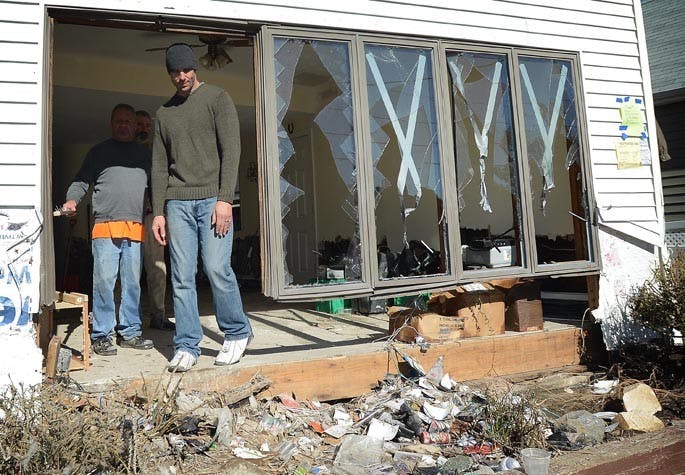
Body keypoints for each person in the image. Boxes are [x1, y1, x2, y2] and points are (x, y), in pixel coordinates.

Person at [151, 43, 252, 372]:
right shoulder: (164, 114)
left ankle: (237, 332)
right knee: (180, 277)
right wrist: (159, 211)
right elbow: (158, 166)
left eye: (186, 70)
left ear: (195, 68)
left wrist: (226, 198)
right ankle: (187, 344)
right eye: (174, 72)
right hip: (177, 203)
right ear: (168, 74)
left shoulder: (217, 98)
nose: (181, 77)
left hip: (213, 200)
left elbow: (232, 150)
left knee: (216, 268)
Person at [62, 103, 154, 356]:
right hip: (104, 226)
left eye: (128, 121)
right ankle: (102, 333)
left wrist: (162, 215)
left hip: (134, 227)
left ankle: (130, 332)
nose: (124, 125)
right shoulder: (98, 152)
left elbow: (157, 188)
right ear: (112, 124)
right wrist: (72, 200)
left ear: (135, 126)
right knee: (104, 283)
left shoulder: (144, 156)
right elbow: (81, 181)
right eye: (119, 121)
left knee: (133, 283)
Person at [135, 110, 174, 331]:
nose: (143, 129)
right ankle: (127, 318)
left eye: (147, 126)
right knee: (128, 272)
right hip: (129, 217)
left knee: (158, 268)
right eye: (139, 125)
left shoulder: (157, 154)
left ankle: (158, 315)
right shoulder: (126, 153)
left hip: (152, 217)